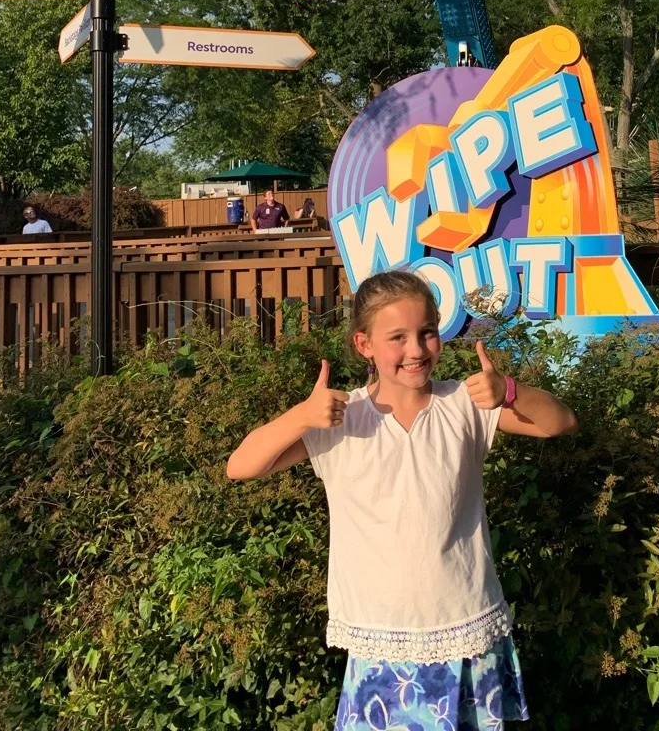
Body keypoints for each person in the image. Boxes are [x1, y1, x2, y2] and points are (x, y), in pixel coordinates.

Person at [226, 269, 577, 729]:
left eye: (427, 333)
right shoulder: (339, 419)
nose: (416, 349)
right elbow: (241, 465)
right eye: (397, 337)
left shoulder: (465, 406)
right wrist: (301, 415)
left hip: (467, 629)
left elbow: (560, 422)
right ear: (364, 344)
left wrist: (510, 391)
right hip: (380, 645)